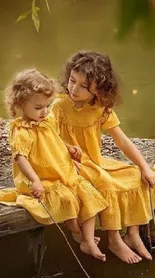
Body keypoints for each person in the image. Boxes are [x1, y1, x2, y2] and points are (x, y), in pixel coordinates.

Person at [51, 50, 155, 264]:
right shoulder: (59, 106)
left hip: (94, 162)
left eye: (83, 86)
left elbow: (122, 141)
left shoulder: (101, 109)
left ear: (99, 90)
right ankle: (114, 239)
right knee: (106, 183)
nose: (74, 88)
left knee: (135, 175)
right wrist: (67, 147)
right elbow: (47, 135)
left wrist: (144, 166)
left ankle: (132, 234)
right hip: (69, 163)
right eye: (72, 81)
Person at [0, 68, 109, 261]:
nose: (44, 111)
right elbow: (21, 157)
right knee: (66, 199)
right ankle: (77, 233)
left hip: (62, 171)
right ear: (20, 104)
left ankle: (89, 240)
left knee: (88, 193)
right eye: (38, 107)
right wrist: (34, 180)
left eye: (48, 106)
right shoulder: (21, 131)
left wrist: (69, 148)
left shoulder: (47, 121)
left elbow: (54, 140)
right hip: (43, 178)